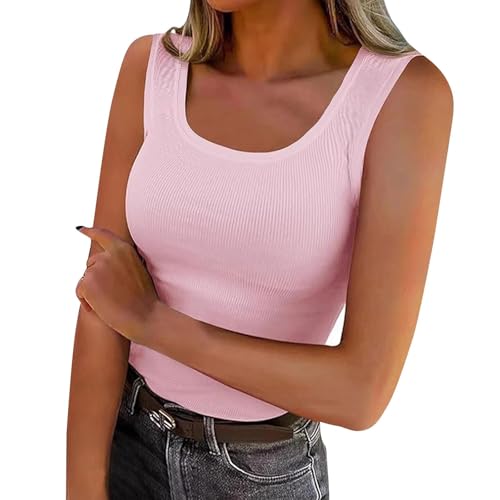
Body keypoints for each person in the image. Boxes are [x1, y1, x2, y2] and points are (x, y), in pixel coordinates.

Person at [66, 1, 453, 499]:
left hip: (259, 477)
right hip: (127, 446)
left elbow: (361, 392)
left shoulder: (401, 96)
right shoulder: (152, 67)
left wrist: (153, 323)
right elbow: (101, 301)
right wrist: (82, 489)